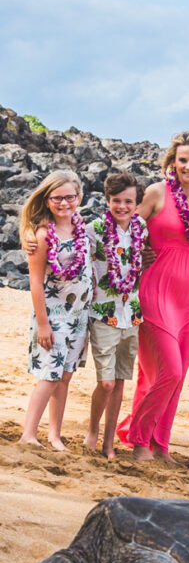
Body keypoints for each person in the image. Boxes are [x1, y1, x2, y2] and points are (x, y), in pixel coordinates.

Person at [117, 132, 189, 461]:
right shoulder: (157, 192)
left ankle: (161, 445)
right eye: (182, 160)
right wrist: (138, 253)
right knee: (168, 371)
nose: (188, 166)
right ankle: (139, 439)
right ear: (173, 162)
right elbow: (125, 226)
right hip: (157, 289)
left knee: (177, 376)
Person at [18, 170, 92, 451]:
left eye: (69, 197)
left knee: (65, 376)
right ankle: (28, 434)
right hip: (53, 316)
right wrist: (43, 324)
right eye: (57, 198)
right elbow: (35, 283)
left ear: (79, 197)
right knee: (49, 375)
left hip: (78, 317)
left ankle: (54, 435)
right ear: (47, 200)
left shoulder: (81, 229)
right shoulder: (41, 236)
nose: (64, 203)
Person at [84, 172, 147, 459]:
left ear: (137, 203)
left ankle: (109, 442)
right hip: (104, 313)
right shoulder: (94, 229)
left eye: (128, 201)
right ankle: (92, 431)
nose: (122, 206)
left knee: (120, 380)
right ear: (107, 200)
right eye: (116, 201)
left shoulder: (141, 228)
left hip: (131, 314)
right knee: (106, 382)